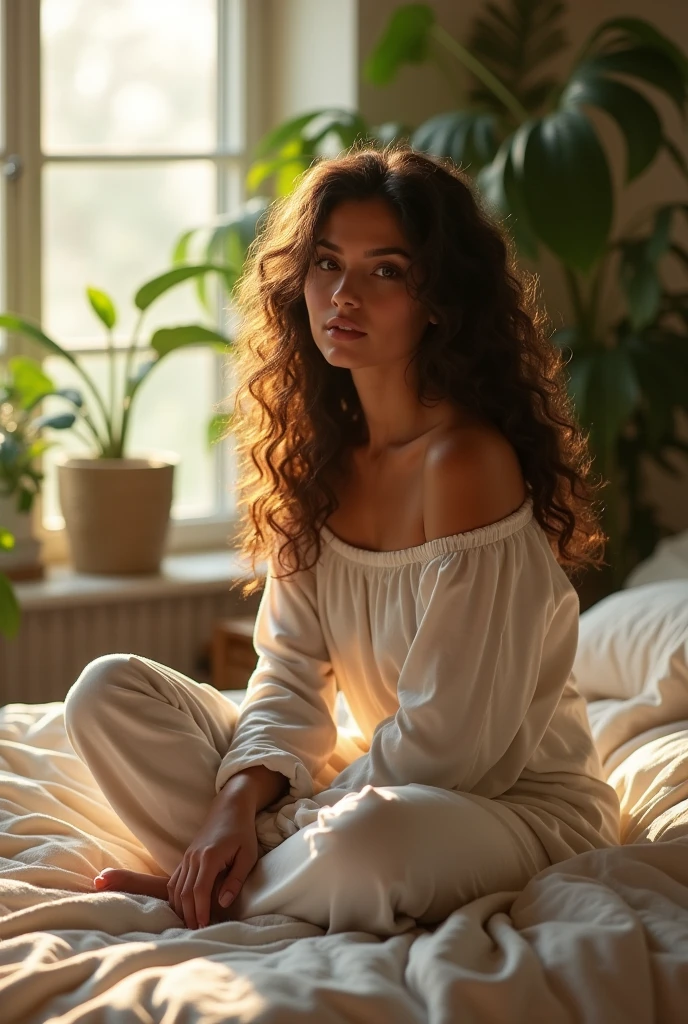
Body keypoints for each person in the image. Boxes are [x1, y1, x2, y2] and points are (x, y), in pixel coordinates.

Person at [64, 143, 621, 936]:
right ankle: (256, 872)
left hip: (500, 806)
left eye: (385, 270)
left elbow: (449, 751)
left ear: (439, 299)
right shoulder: (316, 458)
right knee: (107, 691)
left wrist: (290, 824)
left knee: (366, 841)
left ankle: (214, 890)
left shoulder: (467, 463)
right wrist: (235, 804)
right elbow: (289, 674)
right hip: (371, 783)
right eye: (327, 263)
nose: (343, 295)